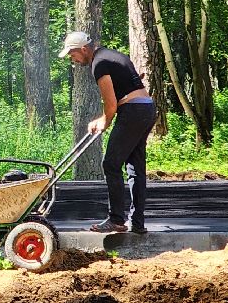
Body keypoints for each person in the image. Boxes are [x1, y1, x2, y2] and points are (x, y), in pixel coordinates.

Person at [60, 30, 156, 235]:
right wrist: (107, 117)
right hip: (146, 108)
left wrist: (104, 120)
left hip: (132, 111)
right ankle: (137, 223)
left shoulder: (99, 64)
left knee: (111, 164)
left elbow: (110, 104)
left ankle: (116, 219)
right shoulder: (113, 55)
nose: (73, 59)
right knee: (135, 167)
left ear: (84, 49)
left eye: (73, 54)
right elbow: (132, 81)